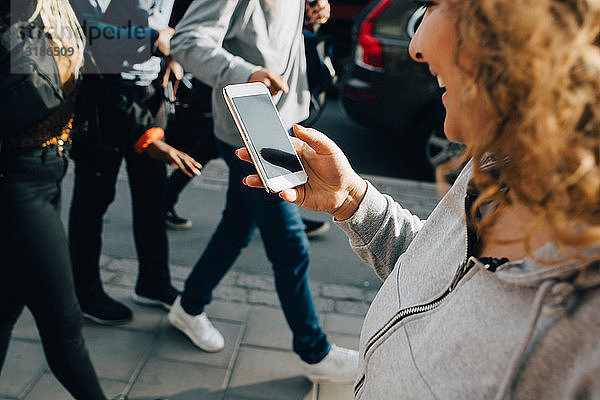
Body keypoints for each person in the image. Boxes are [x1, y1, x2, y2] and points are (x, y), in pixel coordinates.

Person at [237, 0, 600, 398]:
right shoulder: (500, 160)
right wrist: (352, 201)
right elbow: (442, 275)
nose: (416, 45)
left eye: (431, 4)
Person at [166, 0, 358, 383]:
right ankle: (313, 351)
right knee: (290, 244)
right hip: (252, 127)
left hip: (279, 123)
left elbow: (265, 32)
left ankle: (189, 306)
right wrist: (244, 71)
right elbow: (186, 40)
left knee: (237, 224)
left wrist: (308, 13)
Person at [69, 0, 201, 325]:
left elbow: (179, 22)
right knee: (93, 198)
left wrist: (173, 52)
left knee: (152, 195)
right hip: (103, 90)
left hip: (150, 89)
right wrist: (154, 37)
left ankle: (153, 282)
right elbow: (89, 31)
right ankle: (83, 292)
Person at [0, 1, 107, 398]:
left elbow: (106, 55)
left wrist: (145, 133)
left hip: (51, 169)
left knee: (6, 307)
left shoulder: (63, 7)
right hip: (14, 181)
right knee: (64, 326)